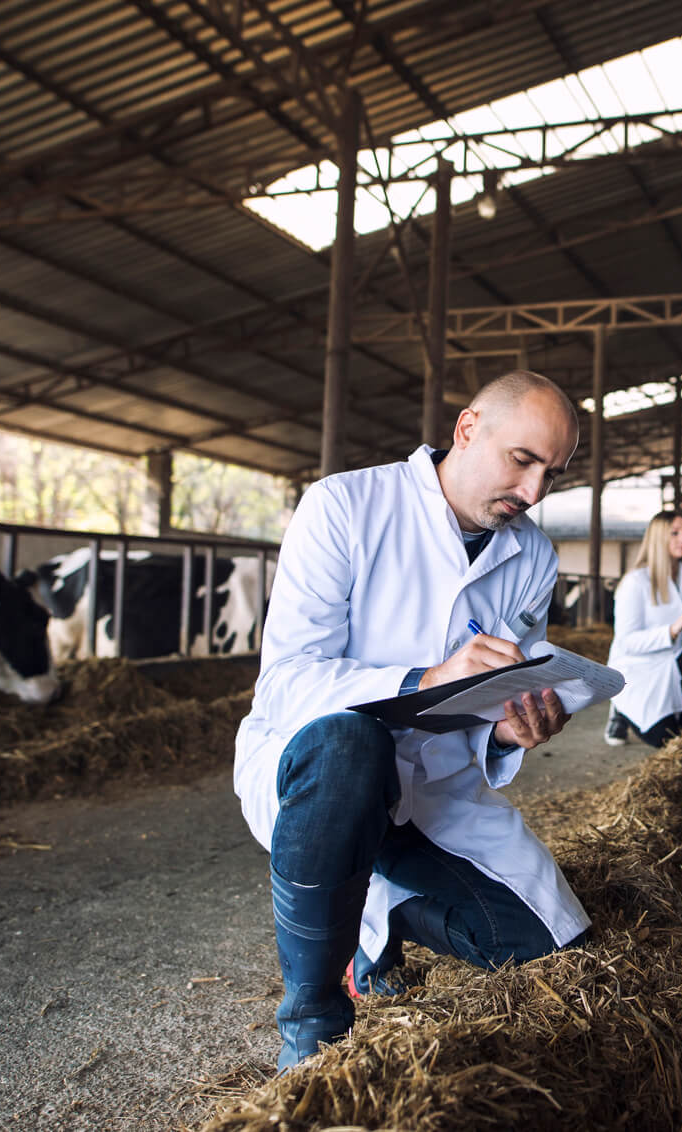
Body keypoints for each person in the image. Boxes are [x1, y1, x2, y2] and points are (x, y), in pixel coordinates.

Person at [234, 371, 591, 1071]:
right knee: (349, 742)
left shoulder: (534, 557)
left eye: (552, 472)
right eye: (523, 461)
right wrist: (422, 680)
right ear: (467, 429)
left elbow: (490, 700)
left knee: (545, 944)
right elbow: (283, 683)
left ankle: (377, 913)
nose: (534, 493)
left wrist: (506, 728)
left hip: (434, 790)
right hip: (321, 779)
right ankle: (312, 1023)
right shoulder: (345, 506)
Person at [603, 510, 682, 748]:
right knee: (662, 739)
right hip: (639, 670)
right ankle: (620, 708)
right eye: (675, 533)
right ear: (658, 538)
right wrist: (671, 630)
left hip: (672, 662)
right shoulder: (635, 582)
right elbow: (627, 642)